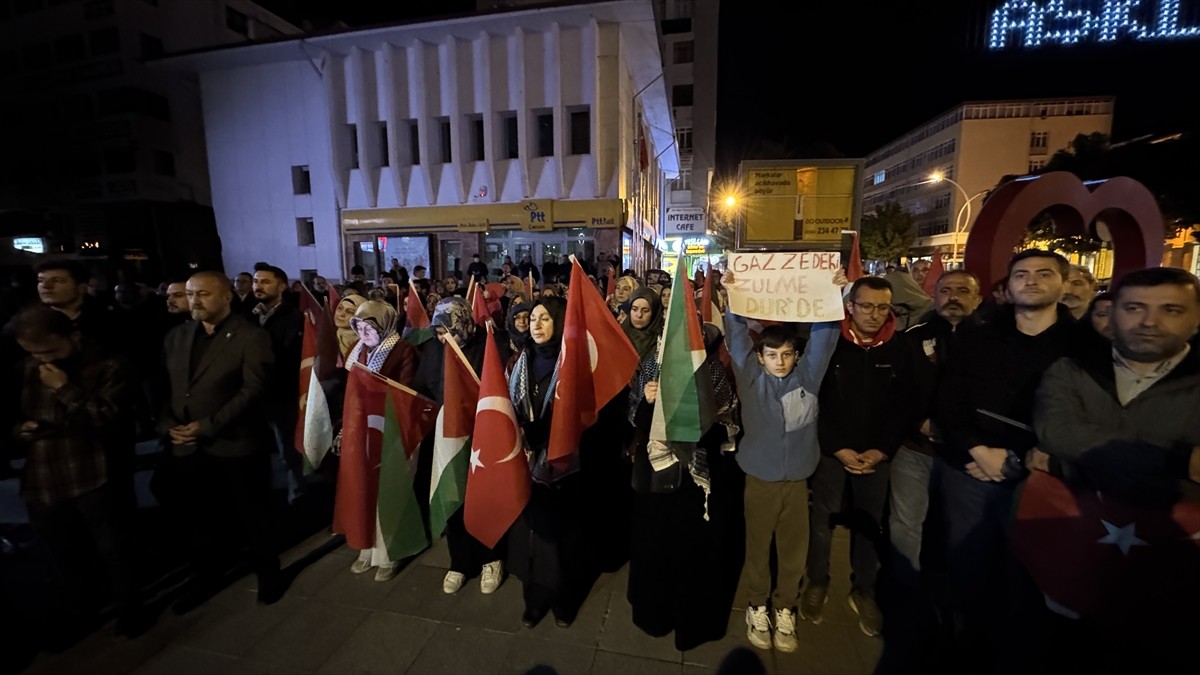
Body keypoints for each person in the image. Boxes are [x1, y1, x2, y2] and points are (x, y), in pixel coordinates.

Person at [1033, 266, 1200, 671]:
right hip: (1081, 550)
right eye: (1135, 308)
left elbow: (1071, 447)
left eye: (1170, 309)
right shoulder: (1071, 370)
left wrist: (1071, 460)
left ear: (1196, 318)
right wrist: (1180, 460)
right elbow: (1060, 433)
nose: (1149, 321)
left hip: (1175, 567)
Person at [932, 249, 1076, 673]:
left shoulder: (1084, 345)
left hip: (1042, 480)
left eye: (1043, 274)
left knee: (1029, 578)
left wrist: (1019, 457)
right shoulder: (978, 337)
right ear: (1008, 286)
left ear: (1063, 284)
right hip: (972, 470)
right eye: (1021, 274)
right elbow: (950, 399)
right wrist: (977, 450)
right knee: (968, 569)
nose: (1031, 281)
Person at [721, 267, 847, 653]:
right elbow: (737, 336)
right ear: (759, 358)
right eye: (772, 355)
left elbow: (825, 340)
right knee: (758, 546)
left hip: (797, 482)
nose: (780, 361)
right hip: (759, 478)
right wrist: (733, 297)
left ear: (796, 356)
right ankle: (757, 604)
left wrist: (832, 296)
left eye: (787, 354)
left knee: (794, 549)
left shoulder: (808, 378)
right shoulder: (750, 377)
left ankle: (785, 607)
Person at [9, 306, 146, 642]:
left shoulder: (107, 364)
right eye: (33, 352)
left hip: (92, 468)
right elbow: (13, 412)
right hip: (44, 472)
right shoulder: (26, 368)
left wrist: (64, 388)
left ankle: (130, 611)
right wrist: (19, 430)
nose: (42, 359)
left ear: (73, 337)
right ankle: (81, 611)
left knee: (113, 548)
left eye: (50, 350)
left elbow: (109, 419)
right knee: (62, 550)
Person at [152, 270, 283, 612]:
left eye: (203, 294)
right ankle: (206, 575)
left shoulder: (249, 337)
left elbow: (253, 389)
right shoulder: (177, 337)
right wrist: (168, 424)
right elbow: (166, 387)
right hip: (187, 444)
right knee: (199, 516)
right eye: (190, 294)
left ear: (226, 297)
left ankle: (269, 575)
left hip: (237, 443)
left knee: (253, 514)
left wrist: (208, 424)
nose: (194, 300)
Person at [805, 276, 917, 638]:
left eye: (882, 307)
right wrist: (837, 447)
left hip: (876, 456)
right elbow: (815, 400)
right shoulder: (829, 344)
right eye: (866, 306)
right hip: (832, 453)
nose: (873, 314)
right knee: (822, 523)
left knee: (869, 525)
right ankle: (817, 582)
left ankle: (864, 590)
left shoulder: (901, 348)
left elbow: (905, 406)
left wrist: (881, 450)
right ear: (849, 306)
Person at [625, 306, 742, 651]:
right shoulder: (652, 367)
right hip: (657, 479)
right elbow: (633, 418)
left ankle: (692, 619)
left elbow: (728, 421)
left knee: (695, 553)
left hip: (697, 479)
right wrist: (647, 401)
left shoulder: (712, 371)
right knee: (655, 548)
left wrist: (702, 411)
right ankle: (655, 613)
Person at [411, 297, 510, 595]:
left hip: (484, 436)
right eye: (439, 333)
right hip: (449, 438)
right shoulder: (433, 350)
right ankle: (460, 562)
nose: (444, 339)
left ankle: (491, 559)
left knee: (485, 499)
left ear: (464, 323)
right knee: (454, 499)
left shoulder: (492, 345)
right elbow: (423, 388)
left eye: (449, 332)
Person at [506, 296, 588, 628]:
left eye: (545, 319)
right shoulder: (517, 362)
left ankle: (563, 600)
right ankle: (534, 599)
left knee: (559, 538)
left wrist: (536, 431)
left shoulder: (572, 363)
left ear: (558, 323)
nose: (537, 325)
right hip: (525, 462)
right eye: (533, 319)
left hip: (561, 465)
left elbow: (575, 415)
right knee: (529, 536)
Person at [340, 300, 418, 581]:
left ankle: (390, 552)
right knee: (363, 488)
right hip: (362, 432)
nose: (363, 332)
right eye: (358, 326)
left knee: (390, 491)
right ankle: (366, 546)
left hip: (393, 430)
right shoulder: (355, 352)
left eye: (369, 326)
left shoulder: (403, 350)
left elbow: (406, 392)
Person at [251, 262, 307, 503]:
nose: (258, 286)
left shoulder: (293, 317)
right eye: (256, 282)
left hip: (281, 391)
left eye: (265, 281)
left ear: (281, 285)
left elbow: (289, 356)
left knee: (287, 446)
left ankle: (297, 489)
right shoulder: (248, 315)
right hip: (254, 393)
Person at [621, 287, 664, 365]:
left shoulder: (662, 340)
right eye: (634, 309)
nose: (639, 315)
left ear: (654, 313)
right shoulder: (619, 336)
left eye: (645, 311)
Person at [334, 293, 367, 360]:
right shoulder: (328, 337)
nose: (341, 314)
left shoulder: (368, 343)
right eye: (339, 308)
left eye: (349, 312)